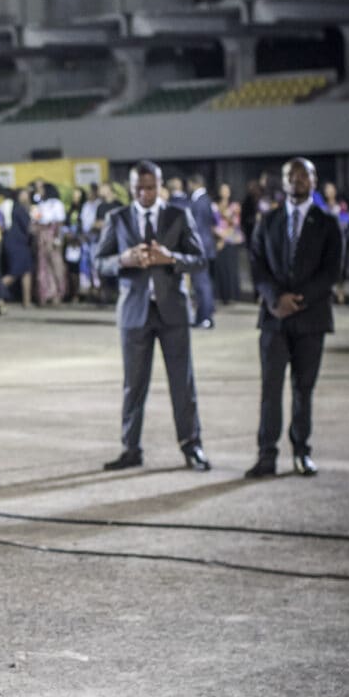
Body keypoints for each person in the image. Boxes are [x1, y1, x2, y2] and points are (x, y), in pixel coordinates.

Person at [95, 159, 210, 472]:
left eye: (150, 187)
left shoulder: (178, 214)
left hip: (172, 311)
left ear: (160, 186)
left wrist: (171, 257)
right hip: (134, 313)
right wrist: (124, 258)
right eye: (139, 189)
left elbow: (200, 259)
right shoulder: (117, 218)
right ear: (130, 189)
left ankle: (192, 446)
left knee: (182, 384)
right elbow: (98, 263)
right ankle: (130, 448)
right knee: (133, 385)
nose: (145, 193)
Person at [244, 157, 344, 478]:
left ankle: (302, 451)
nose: (297, 181)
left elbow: (332, 271)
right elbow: (257, 264)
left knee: (303, 388)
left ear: (314, 181)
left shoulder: (328, 224)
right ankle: (266, 454)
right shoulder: (267, 221)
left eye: (304, 175)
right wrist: (275, 298)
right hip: (274, 319)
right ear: (282, 182)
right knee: (270, 389)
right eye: (291, 175)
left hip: (310, 319)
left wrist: (299, 300)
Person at [187, 173, 218, 328]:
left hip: (200, 248)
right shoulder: (206, 200)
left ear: (194, 184)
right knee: (201, 284)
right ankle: (201, 317)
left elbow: (196, 228)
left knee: (202, 284)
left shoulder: (199, 201)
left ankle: (206, 318)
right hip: (207, 246)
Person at [33, 183, 67, 305]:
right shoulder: (40, 204)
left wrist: (57, 239)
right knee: (43, 266)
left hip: (52, 236)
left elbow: (59, 223)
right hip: (42, 236)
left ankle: (58, 293)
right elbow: (36, 221)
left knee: (56, 265)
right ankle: (46, 293)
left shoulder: (56, 204)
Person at [2, 188, 34, 306]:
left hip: (19, 244)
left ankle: (27, 301)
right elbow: (29, 227)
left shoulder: (17, 208)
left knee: (26, 271)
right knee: (15, 273)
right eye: (25, 194)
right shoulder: (20, 209)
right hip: (17, 245)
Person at [212, 183, 243, 305]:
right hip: (217, 239)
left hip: (230, 240)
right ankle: (221, 295)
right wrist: (219, 237)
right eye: (222, 190)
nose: (224, 192)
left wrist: (223, 238)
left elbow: (235, 223)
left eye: (226, 190)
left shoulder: (234, 206)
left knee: (231, 267)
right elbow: (212, 223)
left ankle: (232, 295)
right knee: (221, 268)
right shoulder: (214, 205)